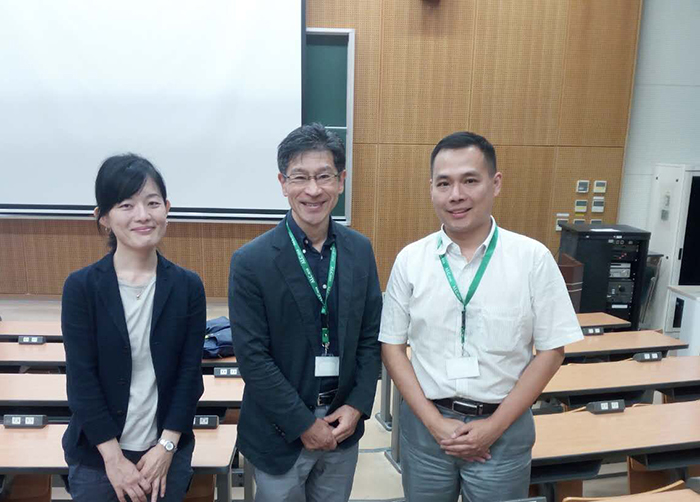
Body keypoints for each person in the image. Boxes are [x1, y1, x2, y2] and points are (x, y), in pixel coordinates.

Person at [380, 132, 583, 502]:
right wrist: (434, 423)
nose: (456, 195)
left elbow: (552, 350)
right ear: (431, 189)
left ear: (496, 183)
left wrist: (493, 427)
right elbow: (392, 347)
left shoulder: (532, 259)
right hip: (426, 430)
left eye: (470, 180)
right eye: (444, 183)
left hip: (503, 432)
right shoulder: (410, 260)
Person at [229, 123, 382, 502]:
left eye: (324, 176)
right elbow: (253, 358)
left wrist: (357, 406)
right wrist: (303, 424)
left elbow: (370, 337)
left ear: (341, 181)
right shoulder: (251, 261)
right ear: (283, 183)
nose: (313, 190)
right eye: (300, 177)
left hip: (342, 425)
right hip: (279, 431)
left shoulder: (360, 250)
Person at [61, 154, 206, 502]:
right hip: (99, 459)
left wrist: (167, 446)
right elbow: (81, 381)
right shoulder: (81, 287)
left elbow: (189, 376)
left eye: (152, 203)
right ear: (103, 217)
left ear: (167, 208)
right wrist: (114, 460)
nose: (142, 215)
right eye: (126, 205)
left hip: (165, 456)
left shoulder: (187, 287)